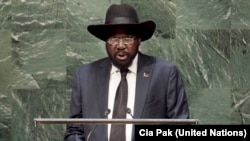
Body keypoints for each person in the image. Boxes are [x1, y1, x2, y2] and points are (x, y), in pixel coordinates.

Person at [64, 3, 189, 141]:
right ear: (106, 41)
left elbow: (180, 128)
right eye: (114, 39)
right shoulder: (85, 76)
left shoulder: (164, 73)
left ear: (139, 40)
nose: (121, 45)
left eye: (128, 38)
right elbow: (74, 130)